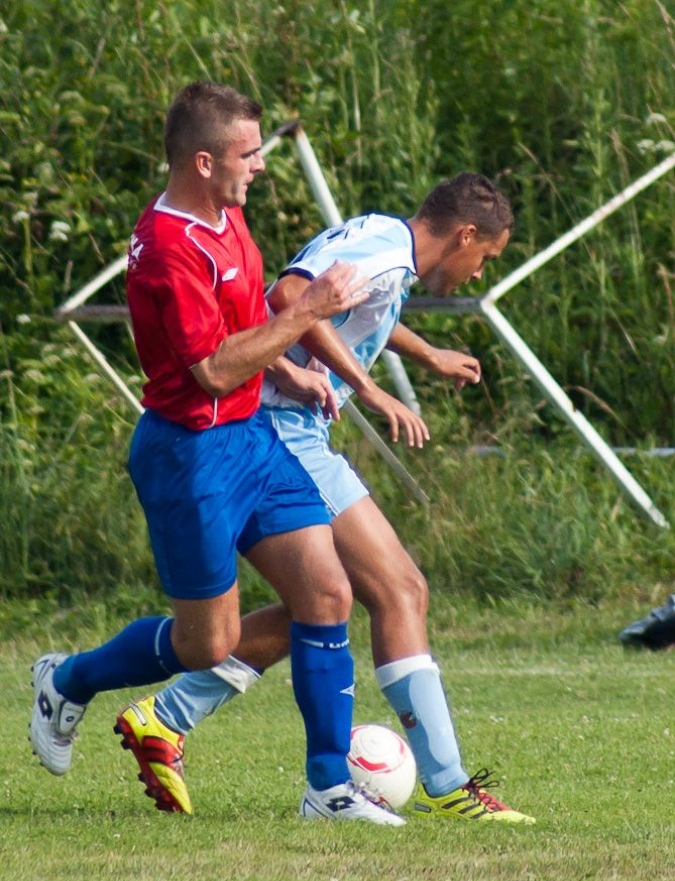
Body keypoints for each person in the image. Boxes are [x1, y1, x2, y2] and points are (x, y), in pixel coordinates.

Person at [29, 80, 405, 826]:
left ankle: (328, 788)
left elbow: (245, 321)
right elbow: (211, 368)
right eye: (249, 152)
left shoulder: (227, 218)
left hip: (250, 440)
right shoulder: (167, 246)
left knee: (327, 593)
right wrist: (306, 314)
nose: (260, 165)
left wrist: (293, 371)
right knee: (209, 645)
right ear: (202, 161)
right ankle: (68, 678)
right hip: (189, 455)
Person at [115, 171, 535, 824]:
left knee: (319, 605)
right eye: (486, 256)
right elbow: (291, 295)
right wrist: (368, 388)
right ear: (466, 234)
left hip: (287, 427)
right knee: (399, 590)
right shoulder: (386, 250)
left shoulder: (384, 242)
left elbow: (352, 309)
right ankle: (446, 782)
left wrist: (422, 353)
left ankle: (165, 715)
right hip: (281, 429)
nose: (481, 270)